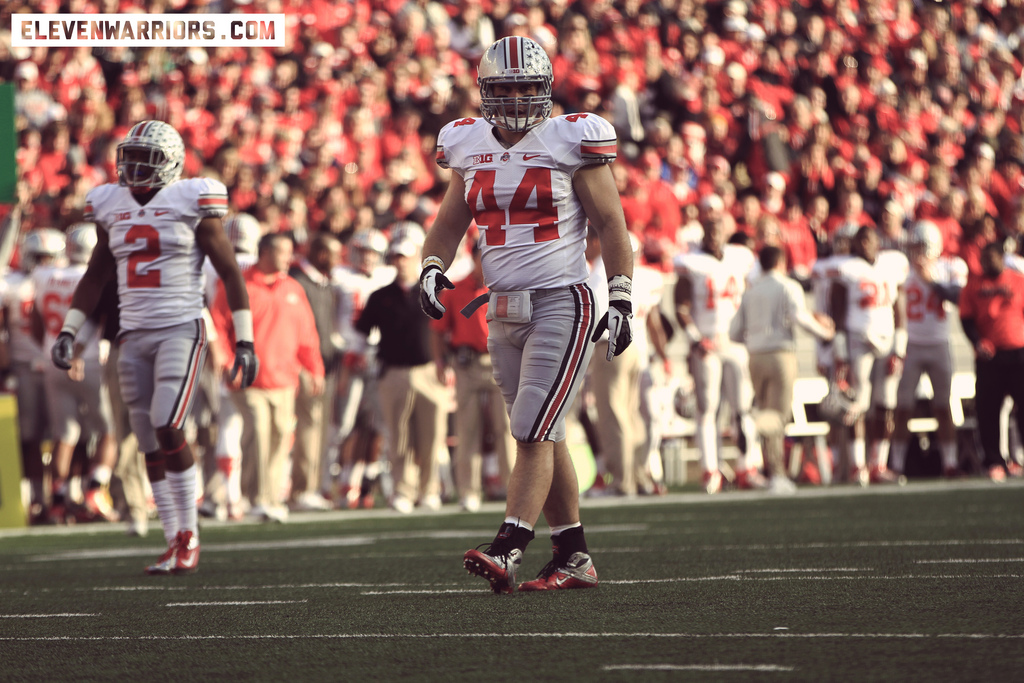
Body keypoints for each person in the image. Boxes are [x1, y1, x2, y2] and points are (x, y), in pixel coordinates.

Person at [420, 36, 633, 593]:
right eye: (505, 87)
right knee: (543, 433)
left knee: (533, 428)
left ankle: (510, 544)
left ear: (546, 89)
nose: (516, 97)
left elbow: (611, 223)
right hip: (503, 309)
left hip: (562, 300)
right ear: (485, 91)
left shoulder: (571, 138)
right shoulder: (466, 143)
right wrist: (432, 266)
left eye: (526, 86)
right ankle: (573, 555)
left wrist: (622, 295)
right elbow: (449, 219)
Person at [52, 120, 258, 575]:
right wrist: (69, 331)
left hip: (181, 327)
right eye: (131, 156)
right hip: (132, 333)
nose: (135, 166)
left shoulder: (192, 200)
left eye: (148, 158)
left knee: (168, 424)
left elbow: (230, 273)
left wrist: (243, 337)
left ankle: (189, 535)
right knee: (146, 438)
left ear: (173, 163)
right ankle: (170, 538)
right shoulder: (109, 204)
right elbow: (95, 274)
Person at [210, 232, 324, 523]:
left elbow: (307, 335)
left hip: (285, 379)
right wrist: (226, 362)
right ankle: (257, 498)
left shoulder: (294, 288)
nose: (289, 258)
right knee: (258, 433)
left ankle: (272, 497)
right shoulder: (237, 285)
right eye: (283, 252)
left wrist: (314, 368)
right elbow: (218, 326)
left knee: (280, 438)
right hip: (248, 378)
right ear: (264, 253)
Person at [32, 223, 120, 523]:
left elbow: (35, 322)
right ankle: (95, 490)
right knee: (111, 431)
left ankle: (58, 498)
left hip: (53, 357)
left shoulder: (44, 275)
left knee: (64, 434)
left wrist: (50, 348)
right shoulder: (96, 276)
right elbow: (98, 318)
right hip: (90, 359)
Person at [729, 245, 835, 492]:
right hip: (780, 354)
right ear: (781, 262)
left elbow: (734, 333)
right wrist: (825, 334)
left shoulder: (750, 292)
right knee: (778, 416)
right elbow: (800, 317)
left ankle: (775, 472)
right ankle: (751, 425)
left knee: (770, 412)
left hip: (755, 356)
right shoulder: (788, 286)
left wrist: (756, 340)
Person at [359, 225, 449, 514]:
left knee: (432, 437)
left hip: (428, 372)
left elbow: (445, 332)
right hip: (393, 373)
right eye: (396, 256)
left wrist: (447, 366)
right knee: (399, 438)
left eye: (405, 256)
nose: (400, 262)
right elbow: (361, 332)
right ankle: (402, 491)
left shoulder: (434, 292)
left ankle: (429, 490)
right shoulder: (379, 295)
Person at [674, 215, 766, 493]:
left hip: (736, 342)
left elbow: (754, 294)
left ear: (726, 232)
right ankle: (710, 470)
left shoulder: (740, 257)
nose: (714, 236)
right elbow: (681, 306)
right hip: (708, 343)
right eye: (709, 232)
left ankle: (747, 467)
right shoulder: (692, 262)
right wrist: (695, 339)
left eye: (718, 231)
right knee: (708, 409)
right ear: (703, 234)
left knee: (744, 408)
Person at [431, 240, 516, 512]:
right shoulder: (454, 289)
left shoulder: (505, 286)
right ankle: (469, 491)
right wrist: (440, 361)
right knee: (467, 429)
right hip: (466, 364)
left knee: (507, 429)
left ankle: (514, 490)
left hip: (500, 360)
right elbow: (438, 328)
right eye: (485, 256)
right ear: (475, 257)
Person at [829, 226, 909, 485]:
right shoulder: (847, 269)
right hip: (859, 338)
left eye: (869, 239)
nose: (865, 243)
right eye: (860, 239)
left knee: (887, 402)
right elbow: (837, 312)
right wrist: (840, 352)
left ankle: (879, 463)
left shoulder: (891, 265)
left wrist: (900, 347)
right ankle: (858, 465)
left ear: (878, 242)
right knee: (859, 401)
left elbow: (899, 309)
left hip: (886, 339)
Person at [890, 221, 968, 478]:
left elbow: (958, 298)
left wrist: (931, 280)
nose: (915, 251)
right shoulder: (901, 269)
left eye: (919, 246)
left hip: (939, 343)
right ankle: (897, 466)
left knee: (943, 407)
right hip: (911, 345)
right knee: (903, 408)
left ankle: (950, 463)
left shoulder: (948, 267)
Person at [1, 228, 65, 522]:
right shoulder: (13, 284)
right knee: (31, 436)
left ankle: (66, 496)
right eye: (38, 257)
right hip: (26, 368)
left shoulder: (64, 279)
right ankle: (38, 499)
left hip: (58, 366)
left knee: (67, 435)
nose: (43, 263)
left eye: (48, 257)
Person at [958, 241, 1024, 482]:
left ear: (1001, 257)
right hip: (990, 356)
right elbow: (966, 318)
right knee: (989, 411)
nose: (986, 263)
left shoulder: (1018, 280)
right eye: (983, 259)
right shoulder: (973, 285)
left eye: (991, 258)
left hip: (1018, 351)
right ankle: (994, 461)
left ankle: (1018, 458)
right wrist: (977, 341)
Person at [288, 232, 343, 512]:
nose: (338, 260)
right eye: (334, 254)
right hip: (306, 366)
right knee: (309, 428)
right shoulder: (299, 282)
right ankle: (302, 489)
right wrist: (307, 366)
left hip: (324, 366)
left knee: (320, 429)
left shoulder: (323, 283)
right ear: (322, 255)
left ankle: (313, 486)